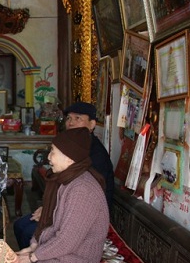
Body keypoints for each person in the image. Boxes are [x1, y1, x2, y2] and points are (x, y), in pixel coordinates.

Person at [5, 127, 110, 263]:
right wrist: (33, 246)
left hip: (75, 260)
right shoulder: (69, 181)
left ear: (69, 158)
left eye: (53, 152)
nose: (49, 158)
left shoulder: (82, 190)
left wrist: (32, 257)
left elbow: (66, 241)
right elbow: (55, 225)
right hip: (64, 254)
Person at [13, 101, 114, 249]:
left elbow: (85, 199)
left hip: (81, 216)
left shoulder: (95, 154)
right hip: (61, 207)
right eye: (69, 118)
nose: (71, 123)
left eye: (78, 118)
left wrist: (52, 212)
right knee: (20, 225)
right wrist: (47, 207)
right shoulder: (71, 144)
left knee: (28, 232)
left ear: (92, 124)